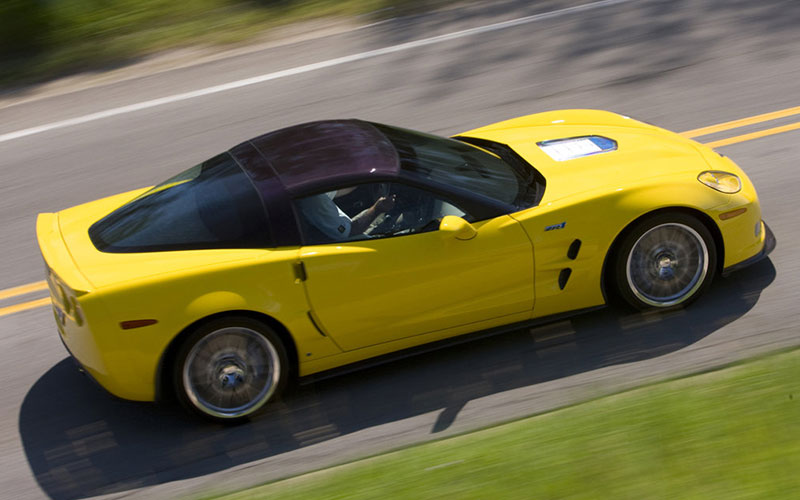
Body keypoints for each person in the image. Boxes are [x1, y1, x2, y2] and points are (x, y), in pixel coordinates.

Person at [298, 187, 396, 242]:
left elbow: (336, 191)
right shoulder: (314, 199)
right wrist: (377, 209)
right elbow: (349, 233)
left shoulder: (308, 179)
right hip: (330, 241)